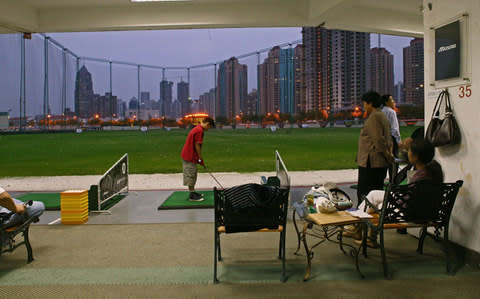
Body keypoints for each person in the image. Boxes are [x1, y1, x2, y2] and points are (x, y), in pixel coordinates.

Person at [346, 139, 443, 246]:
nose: (407, 153)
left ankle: (358, 228)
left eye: (409, 151)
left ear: (416, 156)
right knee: (374, 197)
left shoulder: (419, 178)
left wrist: (392, 197)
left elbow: (406, 201)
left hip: (411, 215)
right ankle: (363, 233)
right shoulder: (433, 171)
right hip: (428, 213)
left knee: (378, 204)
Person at [356, 91, 394, 207]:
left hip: (371, 164)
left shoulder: (375, 117)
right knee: (374, 194)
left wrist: (388, 155)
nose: (363, 106)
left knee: (365, 196)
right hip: (377, 163)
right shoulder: (381, 115)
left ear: (370, 103)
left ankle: (363, 223)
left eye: (365, 103)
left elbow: (378, 140)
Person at [180, 117, 215, 202]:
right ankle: (192, 196)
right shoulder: (200, 130)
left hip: (190, 155)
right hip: (189, 156)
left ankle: (193, 192)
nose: (208, 129)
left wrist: (198, 158)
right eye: (209, 127)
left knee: (193, 174)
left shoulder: (198, 128)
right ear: (207, 124)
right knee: (190, 174)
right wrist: (200, 158)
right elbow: (197, 145)